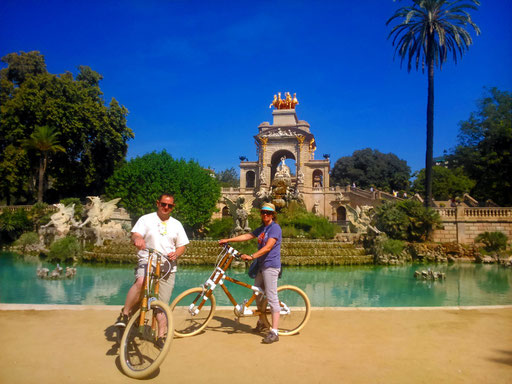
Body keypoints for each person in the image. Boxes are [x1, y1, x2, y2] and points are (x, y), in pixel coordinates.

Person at [115, 193, 189, 342]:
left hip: (167, 267)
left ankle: (161, 336)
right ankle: (125, 313)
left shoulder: (176, 224)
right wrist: (138, 239)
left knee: (162, 305)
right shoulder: (146, 219)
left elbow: (182, 246)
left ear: (173, 207)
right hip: (147, 260)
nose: (166, 207)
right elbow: (135, 234)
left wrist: (177, 253)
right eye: (163, 204)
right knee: (141, 282)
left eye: (170, 205)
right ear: (158, 203)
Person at [219, 202, 282, 344]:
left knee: (271, 297)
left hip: (270, 266)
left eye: (268, 213)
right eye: (263, 212)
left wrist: (252, 256)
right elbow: (247, 236)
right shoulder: (263, 228)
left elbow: (268, 247)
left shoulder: (275, 228)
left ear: (273, 215)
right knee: (258, 295)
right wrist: (228, 240)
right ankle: (262, 322)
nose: (265, 214)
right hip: (261, 265)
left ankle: (274, 331)